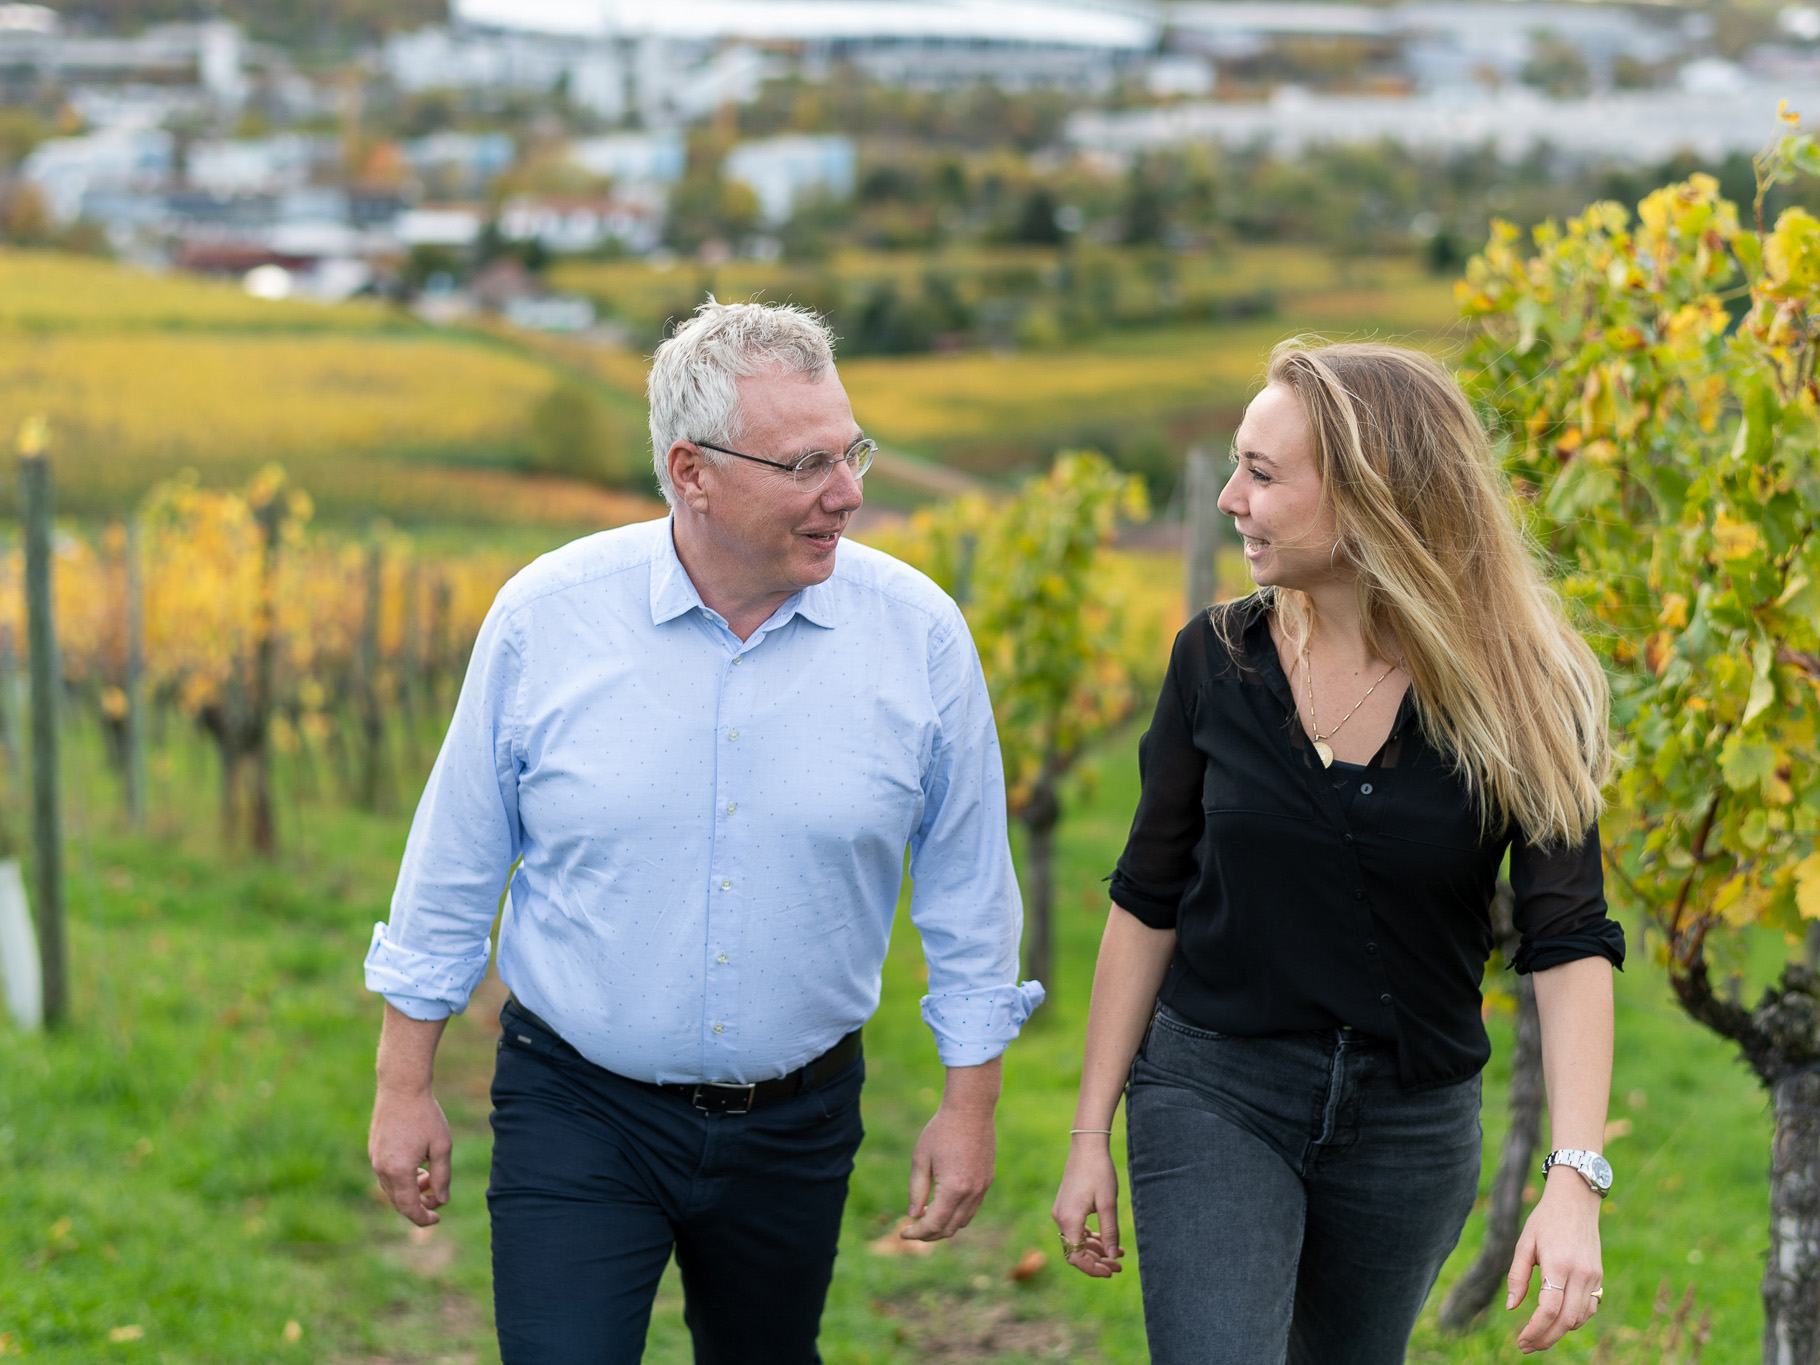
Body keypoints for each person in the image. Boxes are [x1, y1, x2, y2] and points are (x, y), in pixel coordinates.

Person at [364, 299, 1042, 1365]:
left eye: (852, 451)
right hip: (577, 1105)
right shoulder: (547, 620)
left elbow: (969, 894)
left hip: (799, 1122)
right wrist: (404, 1086)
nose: (848, 493)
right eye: (806, 463)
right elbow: (453, 862)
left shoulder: (916, 637)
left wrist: (970, 1106)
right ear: (692, 472)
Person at [1051, 339, 1623, 1363]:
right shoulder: (1214, 661)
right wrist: (1089, 1134)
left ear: (1370, 499)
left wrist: (1571, 1179)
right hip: (1213, 1087)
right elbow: (1146, 898)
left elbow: (1567, 938)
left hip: (1410, 1123)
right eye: (1235, 464)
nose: (1230, 496)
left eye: (1262, 475)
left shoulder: (1527, 688)